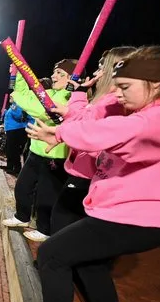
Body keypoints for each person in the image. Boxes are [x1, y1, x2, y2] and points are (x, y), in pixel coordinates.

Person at [18, 45, 160, 302]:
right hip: (128, 213)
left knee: (52, 254)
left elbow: (118, 131)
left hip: (138, 217)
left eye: (125, 87)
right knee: (88, 260)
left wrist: (62, 134)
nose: (117, 94)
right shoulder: (153, 111)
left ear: (155, 84)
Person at [46, 47, 136, 234]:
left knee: (63, 223)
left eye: (101, 67)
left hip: (88, 172)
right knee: (64, 222)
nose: (96, 73)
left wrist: (60, 133)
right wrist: (76, 99)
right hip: (85, 170)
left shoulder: (113, 102)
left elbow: (88, 129)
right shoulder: (105, 99)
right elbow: (83, 119)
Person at [1, 59, 75, 242]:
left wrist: (20, 99)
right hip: (36, 151)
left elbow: (42, 110)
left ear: (72, 78)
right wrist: (17, 75)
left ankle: (44, 228)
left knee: (46, 195)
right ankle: (22, 217)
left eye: (61, 74)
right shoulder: (49, 92)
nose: (54, 76)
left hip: (55, 155)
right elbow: (25, 95)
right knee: (22, 186)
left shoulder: (70, 97)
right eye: (55, 72)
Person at [2, 98, 32, 176]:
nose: (10, 97)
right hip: (11, 129)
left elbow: (19, 116)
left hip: (16, 130)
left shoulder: (17, 105)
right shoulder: (13, 105)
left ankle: (16, 168)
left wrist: (13, 109)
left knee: (14, 150)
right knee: (9, 149)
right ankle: (10, 166)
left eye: (12, 96)